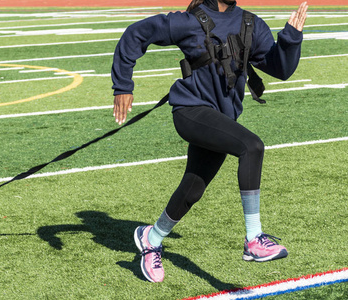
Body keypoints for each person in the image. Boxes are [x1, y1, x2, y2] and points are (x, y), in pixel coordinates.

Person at [111, 0, 308, 283]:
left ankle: (150, 238)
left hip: (221, 120)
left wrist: (290, 38)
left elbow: (281, 68)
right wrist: (123, 85)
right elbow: (136, 34)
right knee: (251, 146)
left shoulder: (250, 23)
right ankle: (254, 239)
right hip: (190, 112)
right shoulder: (189, 21)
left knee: (192, 189)